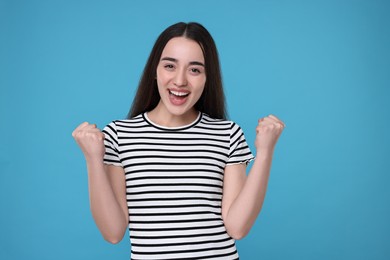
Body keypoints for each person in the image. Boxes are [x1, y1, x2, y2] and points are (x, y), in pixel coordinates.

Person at [72, 22, 285, 260]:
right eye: (170, 66)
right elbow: (113, 233)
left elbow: (238, 227)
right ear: (155, 70)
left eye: (194, 70)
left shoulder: (227, 134)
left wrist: (265, 152)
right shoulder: (120, 136)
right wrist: (93, 160)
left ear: (207, 77)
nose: (180, 80)